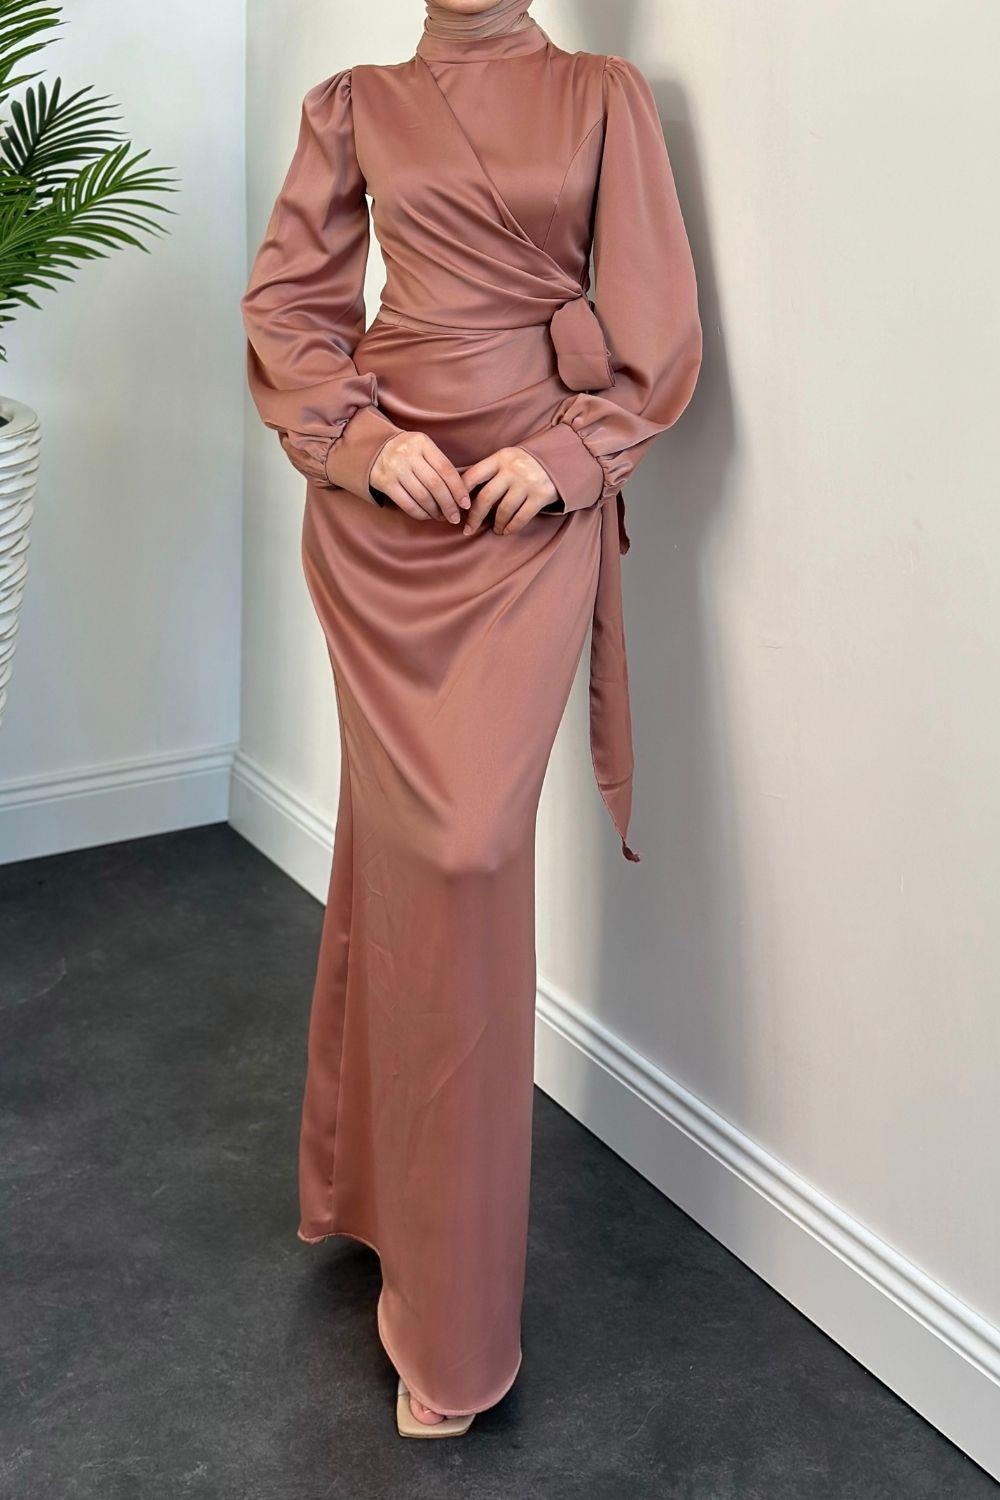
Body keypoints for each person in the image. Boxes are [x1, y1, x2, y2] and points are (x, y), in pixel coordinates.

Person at [241, 0, 701, 1439]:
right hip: (387, 522)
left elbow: (657, 331)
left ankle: (453, 1320)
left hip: (524, 523)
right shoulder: (355, 101)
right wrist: (362, 446)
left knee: (462, 853)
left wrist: (572, 455)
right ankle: (376, 1205)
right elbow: (290, 310)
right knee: (399, 857)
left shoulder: (604, 94)